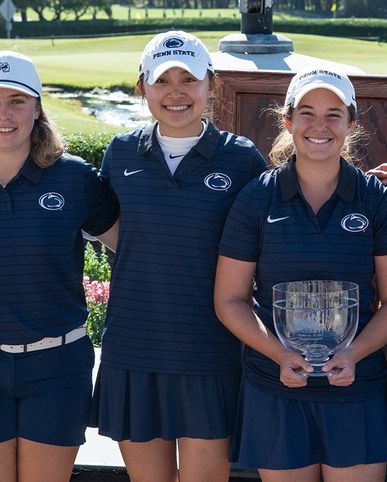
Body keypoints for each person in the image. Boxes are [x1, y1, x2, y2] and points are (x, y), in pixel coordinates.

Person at [0, 50, 118, 482]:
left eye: (17, 100)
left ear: (37, 108)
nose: (4, 114)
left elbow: (135, 250)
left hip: (57, 368)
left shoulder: (75, 178)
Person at [214, 66, 387, 482]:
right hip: (276, 387)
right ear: (287, 121)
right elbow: (229, 299)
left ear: (351, 124)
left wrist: (354, 354)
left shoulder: (377, 200)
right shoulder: (257, 198)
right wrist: (279, 354)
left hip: (356, 388)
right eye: (307, 113)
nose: (319, 126)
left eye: (333, 114)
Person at [88, 30, 269, 482]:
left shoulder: (242, 159)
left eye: (188, 79)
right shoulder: (121, 153)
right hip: (134, 348)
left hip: (210, 353)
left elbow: (286, 215)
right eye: (162, 80)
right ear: (142, 87)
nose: (176, 92)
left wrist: (374, 186)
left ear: (210, 84)